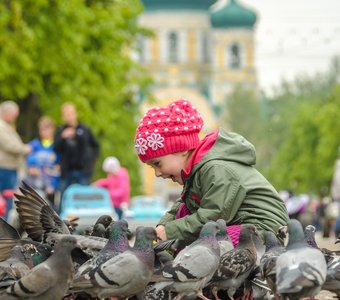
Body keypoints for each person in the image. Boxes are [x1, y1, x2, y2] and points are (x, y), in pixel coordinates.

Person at [134, 99, 289, 247]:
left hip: (262, 229)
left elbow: (213, 215)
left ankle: (185, 255)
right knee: (185, 210)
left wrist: (170, 231)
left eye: (157, 164)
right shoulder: (195, 173)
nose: (157, 173)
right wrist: (163, 225)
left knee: (211, 246)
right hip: (238, 222)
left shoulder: (216, 170)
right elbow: (182, 205)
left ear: (181, 150)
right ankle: (172, 251)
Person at [54, 102, 100, 196]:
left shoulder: (85, 129)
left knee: (84, 197)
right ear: (63, 117)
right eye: (66, 115)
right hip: (66, 171)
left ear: (75, 114)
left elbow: (96, 146)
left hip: (83, 170)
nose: (69, 117)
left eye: (70, 114)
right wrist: (63, 137)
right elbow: (55, 148)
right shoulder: (60, 130)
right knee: (64, 197)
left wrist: (91, 160)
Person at [0, 101, 31, 220]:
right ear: (6, 112)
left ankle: (5, 224)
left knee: (7, 197)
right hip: (4, 169)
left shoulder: (7, 126)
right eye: (14, 114)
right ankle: (3, 226)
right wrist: (25, 149)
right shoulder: (1, 126)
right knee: (4, 198)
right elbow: (9, 145)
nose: (15, 118)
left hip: (10, 169)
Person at [26, 116, 60, 205]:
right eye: (42, 129)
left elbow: (60, 164)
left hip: (53, 184)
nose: (44, 132)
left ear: (52, 129)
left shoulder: (58, 145)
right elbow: (30, 162)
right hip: (38, 184)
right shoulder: (34, 145)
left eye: (47, 129)